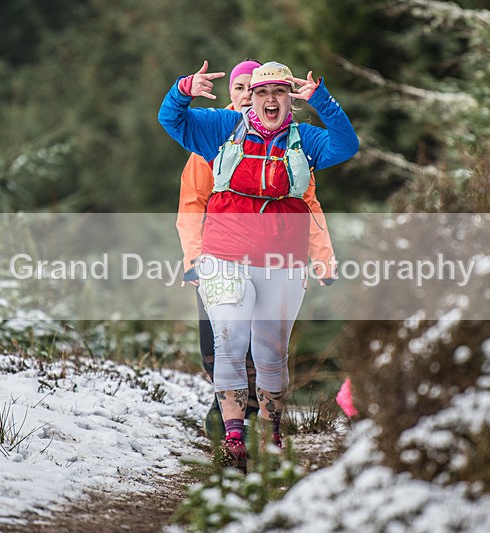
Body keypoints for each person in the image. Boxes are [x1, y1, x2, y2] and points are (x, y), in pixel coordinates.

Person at [160, 60, 358, 471]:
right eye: (262, 92)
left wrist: (321, 99)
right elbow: (171, 120)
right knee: (228, 343)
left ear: (290, 99)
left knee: (271, 354)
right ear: (250, 97)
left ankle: (269, 434)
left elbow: (346, 146)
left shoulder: (305, 141)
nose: (270, 99)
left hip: (283, 260)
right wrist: (184, 88)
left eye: (279, 92)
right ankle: (233, 438)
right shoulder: (220, 129)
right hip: (223, 256)